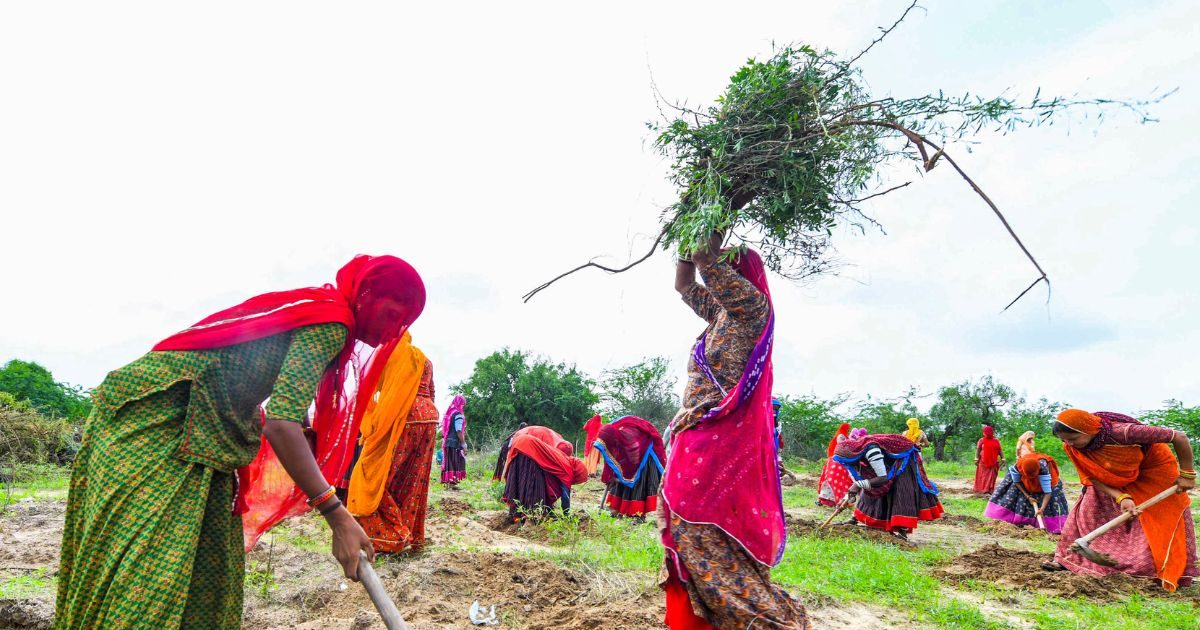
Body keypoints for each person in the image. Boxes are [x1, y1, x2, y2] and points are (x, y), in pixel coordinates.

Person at [55, 255, 425, 629]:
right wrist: (336, 514)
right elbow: (281, 425)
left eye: (404, 322)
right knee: (146, 574)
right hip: (158, 422)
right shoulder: (331, 320)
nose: (392, 330)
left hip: (204, 432)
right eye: (391, 314)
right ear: (366, 296)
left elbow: (287, 410)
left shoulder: (316, 310)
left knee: (210, 560)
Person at [659, 233, 809, 630]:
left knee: (696, 523)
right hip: (696, 431)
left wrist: (708, 223)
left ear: (740, 274)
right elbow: (684, 284)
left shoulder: (751, 309)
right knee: (685, 524)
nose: (718, 273)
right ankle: (709, 617)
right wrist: (684, 235)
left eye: (728, 266)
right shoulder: (720, 314)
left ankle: (753, 615)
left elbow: (706, 261)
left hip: (720, 437)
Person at [1045, 409, 1196, 591]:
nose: (1069, 444)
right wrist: (1120, 496)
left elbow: (1179, 437)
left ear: (1090, 430)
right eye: (1064, 440)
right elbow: (1091, 477)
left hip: (1152, 471)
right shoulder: (1072, 447)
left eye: (1073, 439)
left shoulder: (1124, 432)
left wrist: (1187, 474)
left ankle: (1145, 572)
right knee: (1089, 509)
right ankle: (1069, 560)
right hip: (1108, 478)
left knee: (1153, 521)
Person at [344, 332, 439, 553]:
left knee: (377, 474)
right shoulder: (424, 358)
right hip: (430, 417)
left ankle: (393, 535)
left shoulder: (393, 353)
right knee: (414, 481)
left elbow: (370, 387)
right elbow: (432, 392)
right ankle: (411, 534)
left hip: (404, 416)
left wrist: (373, 421)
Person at [834, 432, 944, 540]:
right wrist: (847, 498)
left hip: (904, 457)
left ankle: (902, 530)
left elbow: (883, 478)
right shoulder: (854, 457)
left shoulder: (871, 450)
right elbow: (858, 483)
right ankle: (855, 518)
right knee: (870, 484)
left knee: (900, 488)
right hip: (888, 460)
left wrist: (857, 485)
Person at [500, 425, 588, 520]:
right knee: (532, 483)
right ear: (577, 473)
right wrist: (566, 515)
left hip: (520, 443)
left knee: (521, 479)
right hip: (528, 447)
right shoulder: (568, 469)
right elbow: (565, 496)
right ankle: (528, 516)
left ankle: (516, 515)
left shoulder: (562, 458)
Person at [983, 442, 1070, 534]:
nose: (1031, 479)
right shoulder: (1018, 466)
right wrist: (1028, 496)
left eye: (1033, 476)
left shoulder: (1043, 468)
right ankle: (1018, 520)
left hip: (1045, 479)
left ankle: (1046, 525)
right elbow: (1016, 482)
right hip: (1022, 479)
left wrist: (1042, 509)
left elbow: (1047, 491)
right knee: (1014, 492)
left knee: (1050, 497)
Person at [594, 415, 665, 518]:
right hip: (632, 457)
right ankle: (617, 509)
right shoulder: (615, 440)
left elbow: (632, 464)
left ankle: (637, 514)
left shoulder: (629, 438)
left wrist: (619, 475)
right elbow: (612, 461)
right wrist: (612, 475)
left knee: (635, 480)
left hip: (645, 454)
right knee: (622, 474)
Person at [816, 423, 853, 507]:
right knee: (834, 481)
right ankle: (827, 500)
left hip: (835, 462)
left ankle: (828, 500)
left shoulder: (840, 435)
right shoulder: (841, 436)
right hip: (836, 462)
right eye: (848, 429)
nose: (848, 430)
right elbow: (842, 446)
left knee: (831, 480)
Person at [440, 395, 467, 486]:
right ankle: (452, 482)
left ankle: (449, 482)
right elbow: (459, 430)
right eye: (463, 404)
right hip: (454, 442)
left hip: (447, 442)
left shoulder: (450, 413)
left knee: (449, 461)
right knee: (456, 461)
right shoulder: (458, 415)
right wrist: (464, 444)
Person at [974, 425, 1004, 494]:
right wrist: (976, 458)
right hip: (983, 462)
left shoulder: (996, 441)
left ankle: (989, 489)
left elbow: (1000, 450)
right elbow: (978, 450)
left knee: (992, 477)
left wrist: (1003, 458)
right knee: (983, 476)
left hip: (994, 462)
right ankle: (982, 489)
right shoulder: (981, 440)